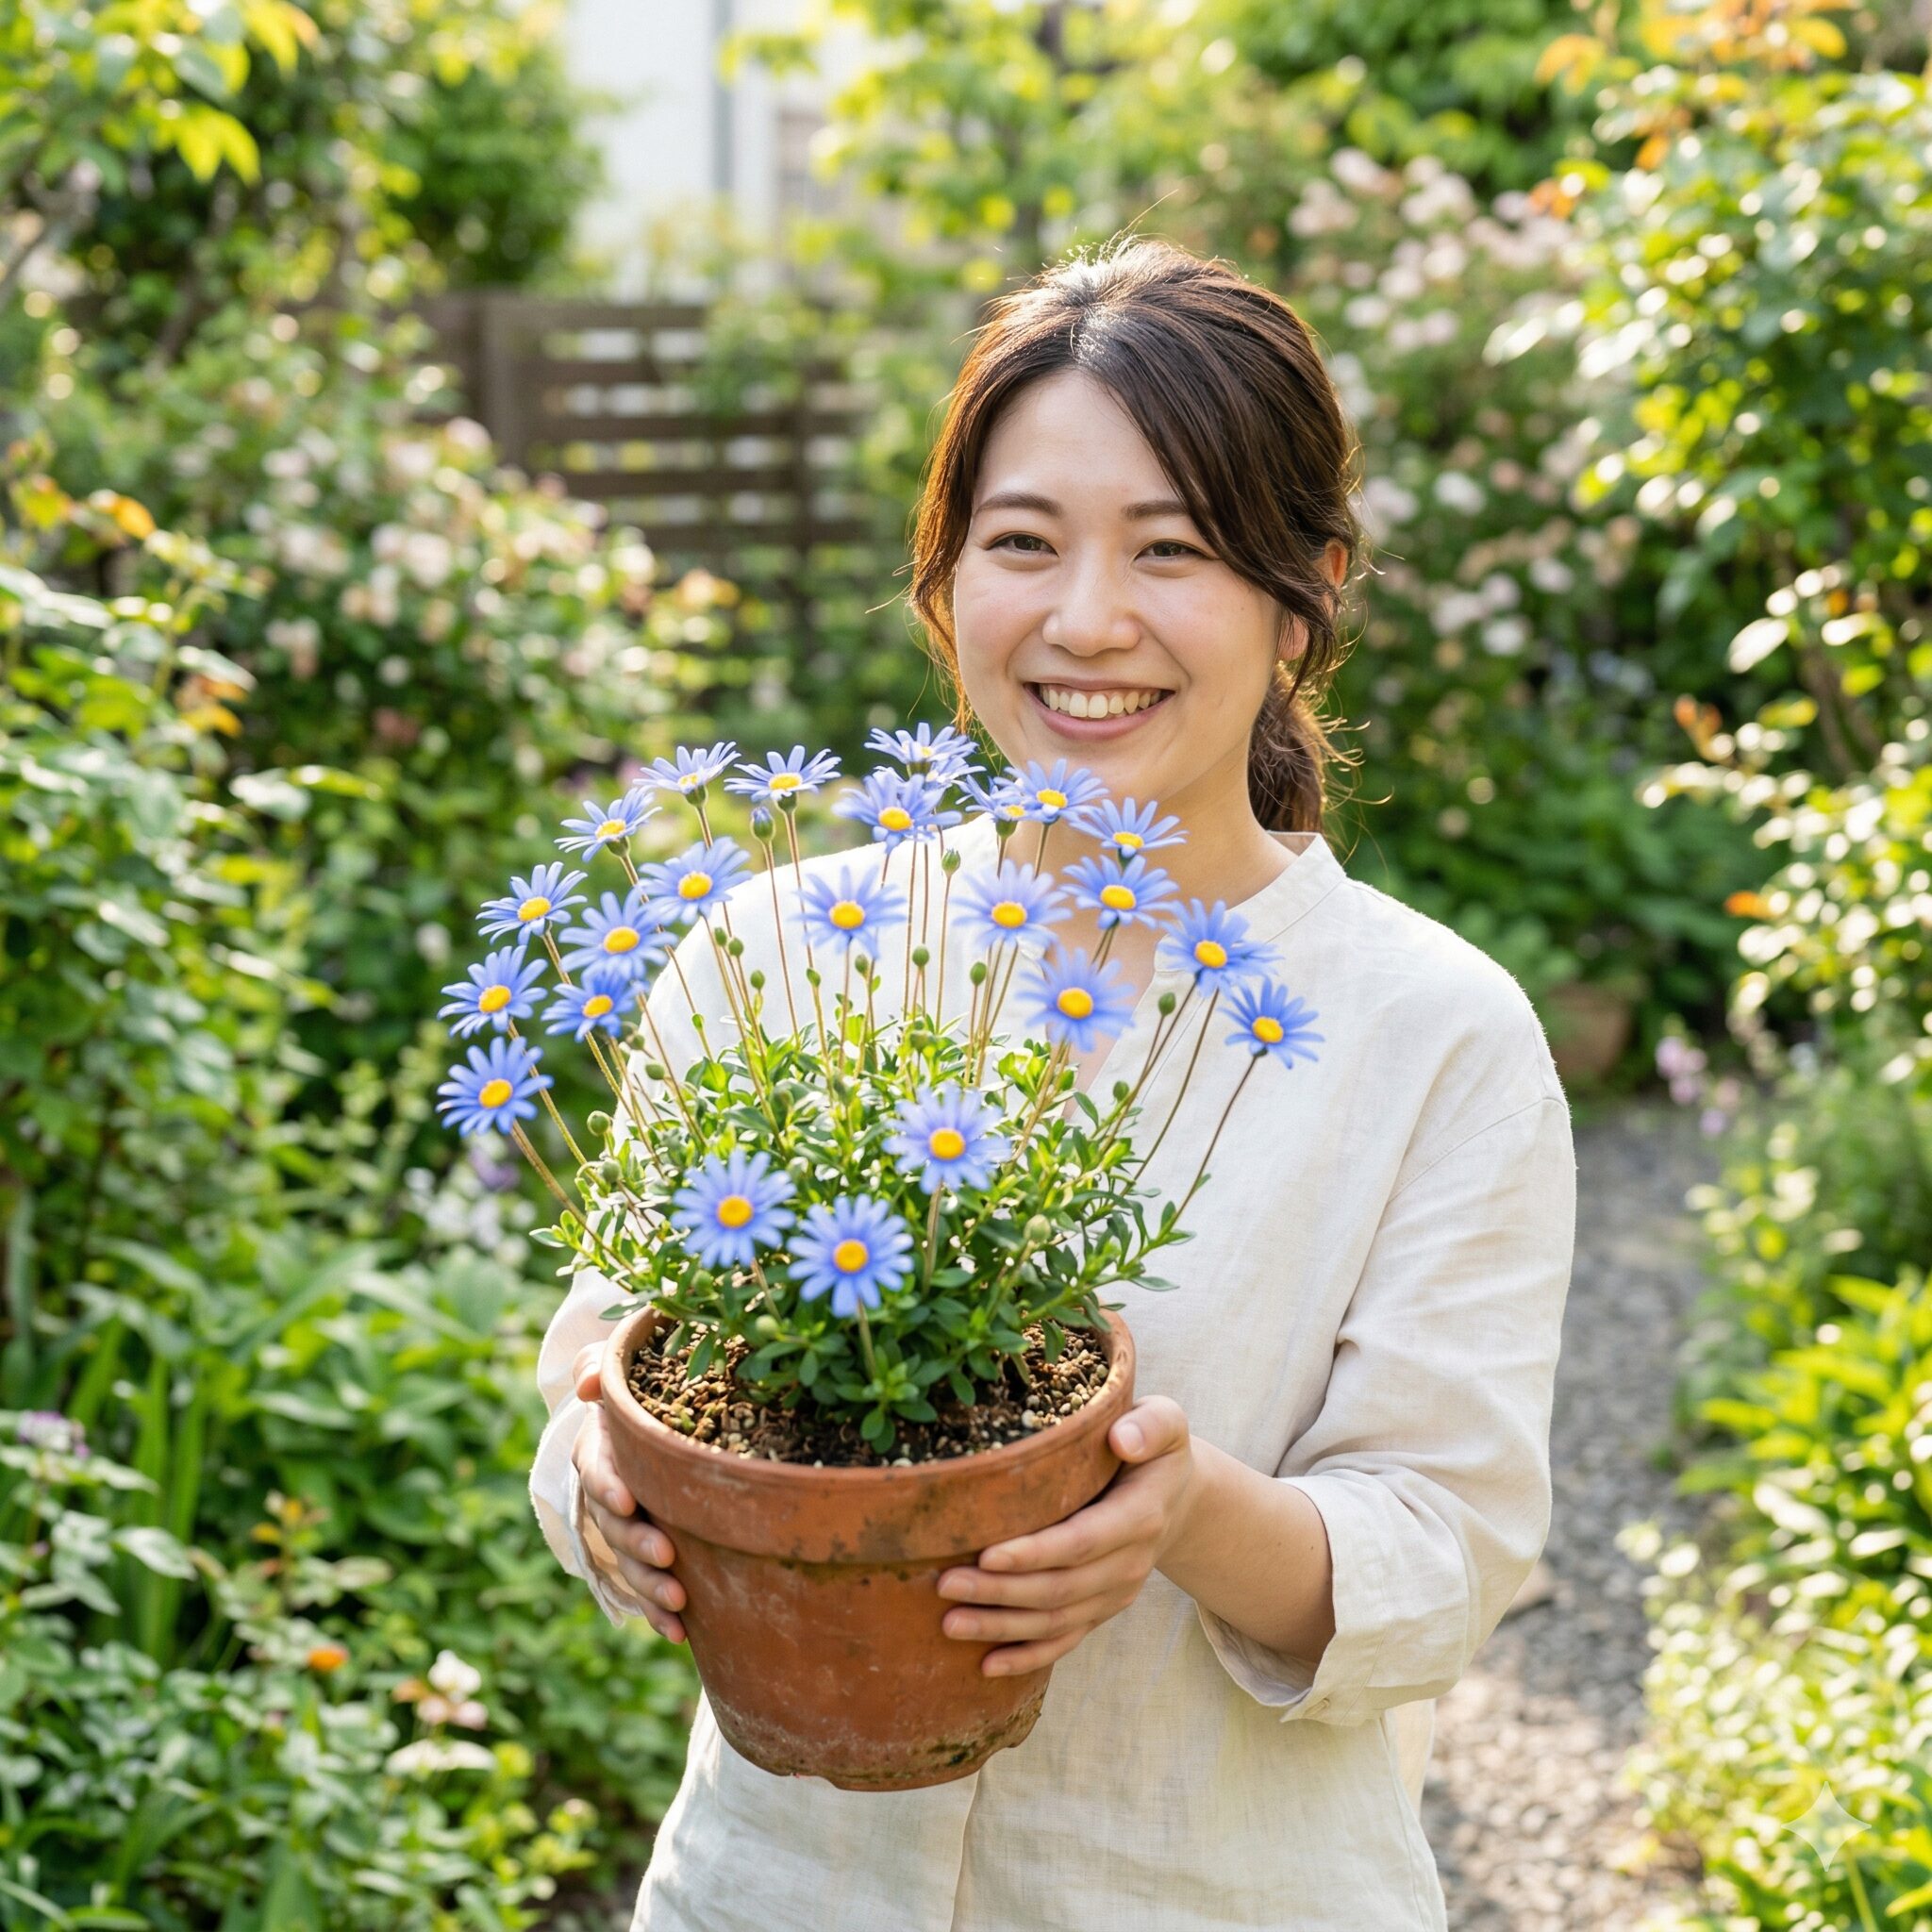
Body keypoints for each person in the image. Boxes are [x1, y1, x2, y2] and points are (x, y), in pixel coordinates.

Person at [528, 234, 1576, 1931]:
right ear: (946, 584)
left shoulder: (1434, 1030)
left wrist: (1182, 1513)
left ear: (1303, 595)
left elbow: (1443, 1558)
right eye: (1024, 543)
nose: (1088, 620)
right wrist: (599, 1479)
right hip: (776, 1887)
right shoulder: (782, 948)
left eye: (1173, 549)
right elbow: (609, 1353)